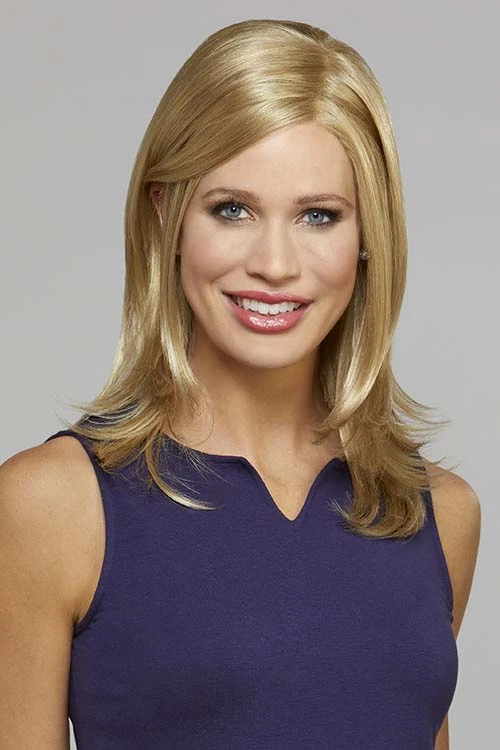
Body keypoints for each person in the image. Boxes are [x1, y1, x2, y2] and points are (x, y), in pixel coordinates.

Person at [0, 18, 481, 750]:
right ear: (166, 214)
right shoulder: (52, 507)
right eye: (232, 209)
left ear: (367, 237)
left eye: (318, 216)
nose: (275, 264)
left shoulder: (439, 514)